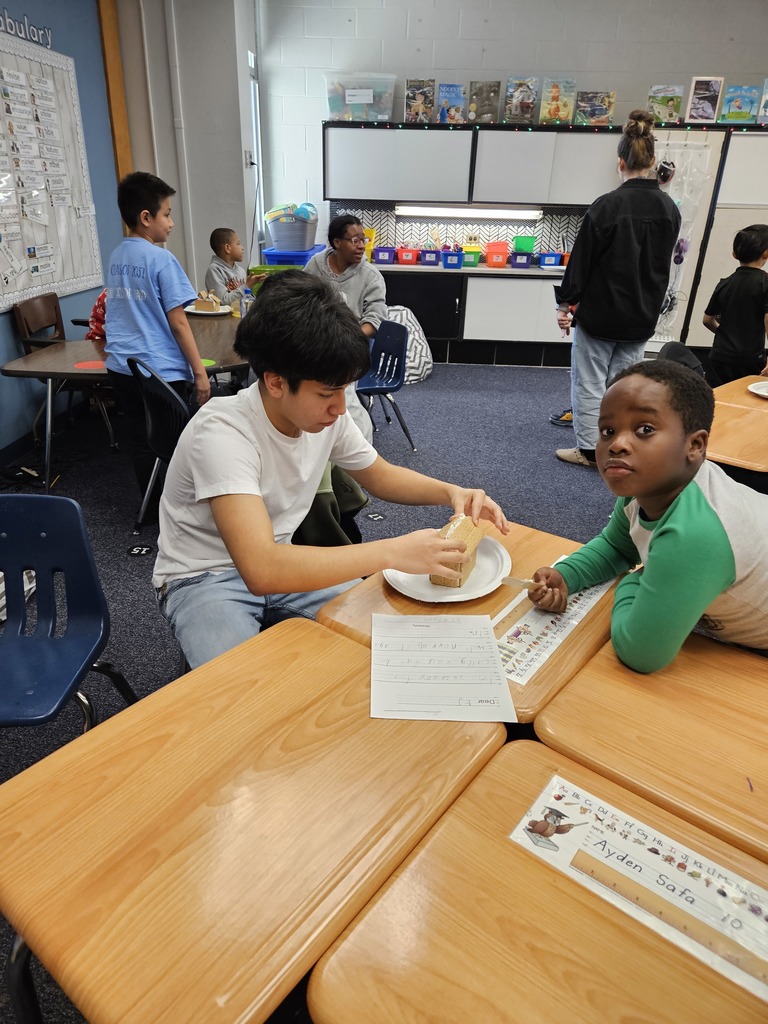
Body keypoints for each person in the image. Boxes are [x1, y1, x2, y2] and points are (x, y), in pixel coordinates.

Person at [153, 270, 509, 669]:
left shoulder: (323, 416)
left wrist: (452, 493)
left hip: (284, 561)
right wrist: (392, 552)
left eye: (344, 390)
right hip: (204, 579)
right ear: (274, 382)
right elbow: (261, 570)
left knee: (398, 644)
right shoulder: (221, 433)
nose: (340, 408)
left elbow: (380, 474)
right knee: (242, 697)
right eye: (326, 393)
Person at [526, 360, 768, 673]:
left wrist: (637, 580)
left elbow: (641, 654)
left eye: (645, 430)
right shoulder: (648, 487)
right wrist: (567, 575)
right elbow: (617, 547)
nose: (617, 444)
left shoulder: (694, 535)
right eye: (608, 431)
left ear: (695, 445)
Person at [553, 109, 681, 468]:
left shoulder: (606, 206)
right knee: (625, 385)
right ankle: (621, 448)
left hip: (601, 314)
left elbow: (581, 262)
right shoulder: (669, 209)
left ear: (620, 162)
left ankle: (591, 451)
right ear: (653, 160)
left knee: (590, 383)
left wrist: (565, 305)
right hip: (641, 316)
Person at [104, 171, 210, 514]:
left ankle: (151, 509)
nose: (172, 222)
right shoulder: (161, 259)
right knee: (179, 441)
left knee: (140, 437)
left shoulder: (118, 254)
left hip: (122, 365)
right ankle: (184, 511)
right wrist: (200, 373)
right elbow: (179, 323)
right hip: (159, 369)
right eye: (166, 214)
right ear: (145, 218)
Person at [305, 214, 388, 441]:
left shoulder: (370, 276)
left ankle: (359, 455)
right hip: (315, 344)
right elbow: (299, 299)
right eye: (355, 240)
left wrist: (348, 340)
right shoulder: (315, 265)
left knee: (344, 398)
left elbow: (376, 317)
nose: (361, 245)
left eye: (363, 239)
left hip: (351, 348)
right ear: (336, 243)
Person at [702, 223, 768, 386]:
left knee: (720, 399)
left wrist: (724, 335)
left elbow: (707, 320)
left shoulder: (724, 283)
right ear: (766, 254)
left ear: (734, 253)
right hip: (749, 359)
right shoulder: (765, 282)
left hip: (719, 356)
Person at [204, 227, 266, 305]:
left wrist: (253, 284)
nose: (242, 248)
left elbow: (244, 299)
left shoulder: (241, 271)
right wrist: (247, 285)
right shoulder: (214, 270)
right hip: (224, 317)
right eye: (238, 243)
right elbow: (222, 301)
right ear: (227, 248)